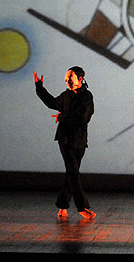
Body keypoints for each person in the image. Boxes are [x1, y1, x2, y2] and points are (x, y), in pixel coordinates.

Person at [33, 66, 96, 219]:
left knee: (71, 174)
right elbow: (52, 103)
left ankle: (62, 206)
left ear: (80, 79)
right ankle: (82, 207)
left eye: (70, 78)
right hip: (65, 139)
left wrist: (62, 117)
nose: (67, 81)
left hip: (79, 139)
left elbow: (83, 117)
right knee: (73, 172)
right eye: (66, 79)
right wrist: (39, 87)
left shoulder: (87, 96)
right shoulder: (66, 95)